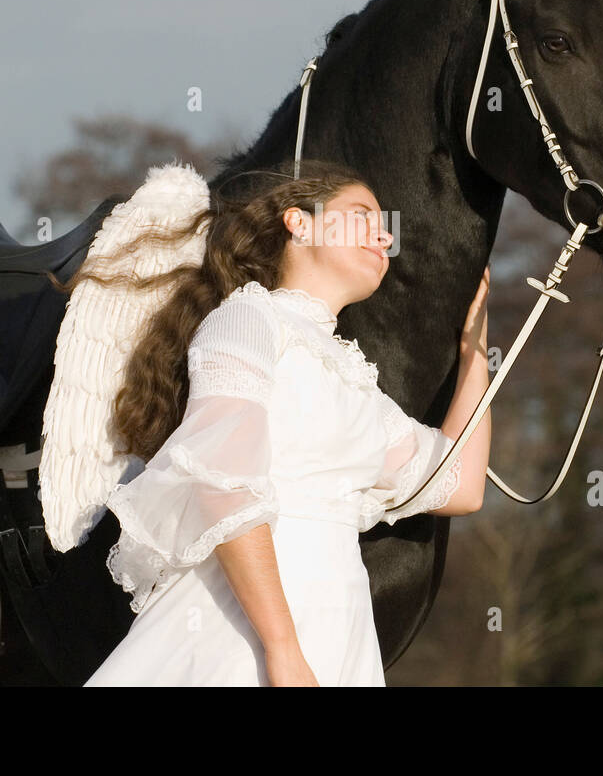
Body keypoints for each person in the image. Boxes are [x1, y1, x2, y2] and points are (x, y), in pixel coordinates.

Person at [78, 158, 492, 686]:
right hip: (243, 636)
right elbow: (223, 487)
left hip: (339, 637)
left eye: (386, 228)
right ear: (300, 221)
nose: (383, 236)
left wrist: (474, 353)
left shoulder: (356, 382)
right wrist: (282, 648)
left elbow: (460, 484)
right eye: (364, 213)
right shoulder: (251, 318)